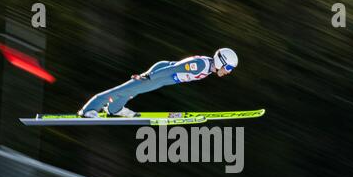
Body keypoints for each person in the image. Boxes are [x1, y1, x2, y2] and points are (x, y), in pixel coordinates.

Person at [77, 48, 238, 118]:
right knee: (124, 89)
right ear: (221, 61)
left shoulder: (209, 67)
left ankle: (114, 108)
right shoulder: (202, 65)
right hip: (162, 74)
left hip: (164, 79)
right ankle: (88, 110)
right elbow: (173, 68)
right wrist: (149, 76)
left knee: (133, 91)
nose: (229, 72)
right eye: (229, 67)